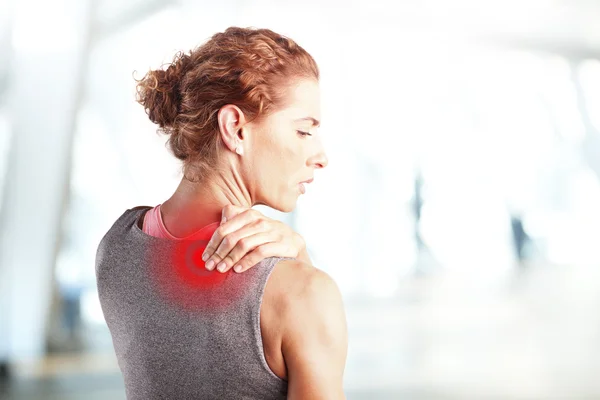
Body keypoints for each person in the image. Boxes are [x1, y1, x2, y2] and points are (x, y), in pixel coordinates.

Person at [95, 26, 348, 399]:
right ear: (235, 129)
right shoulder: (303, 294)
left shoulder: (114, 249)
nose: (321, 157)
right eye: (303, 132)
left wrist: (296, 258)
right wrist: (300, 273)